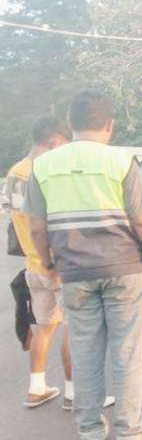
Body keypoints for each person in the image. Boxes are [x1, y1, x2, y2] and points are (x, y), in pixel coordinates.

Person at [24, 90, 142, 440]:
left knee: (85, 351)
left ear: (71, 123)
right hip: (124, 270)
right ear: (109, 125)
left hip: (75, 275)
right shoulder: (121, 163)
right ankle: (130, 432)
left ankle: (91, 433)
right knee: (127, 353)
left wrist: (49, 265)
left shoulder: (43, 166)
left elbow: (35, 226)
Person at [8, 117, 115, 410]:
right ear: (55, 142)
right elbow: (48, 224)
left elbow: (24, 225)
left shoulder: (15, 172)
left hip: (32, 267)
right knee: (74, 327)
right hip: (56, 265)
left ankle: (36, 388)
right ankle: (74, 393)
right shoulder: (45, 173)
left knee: (43, 326)